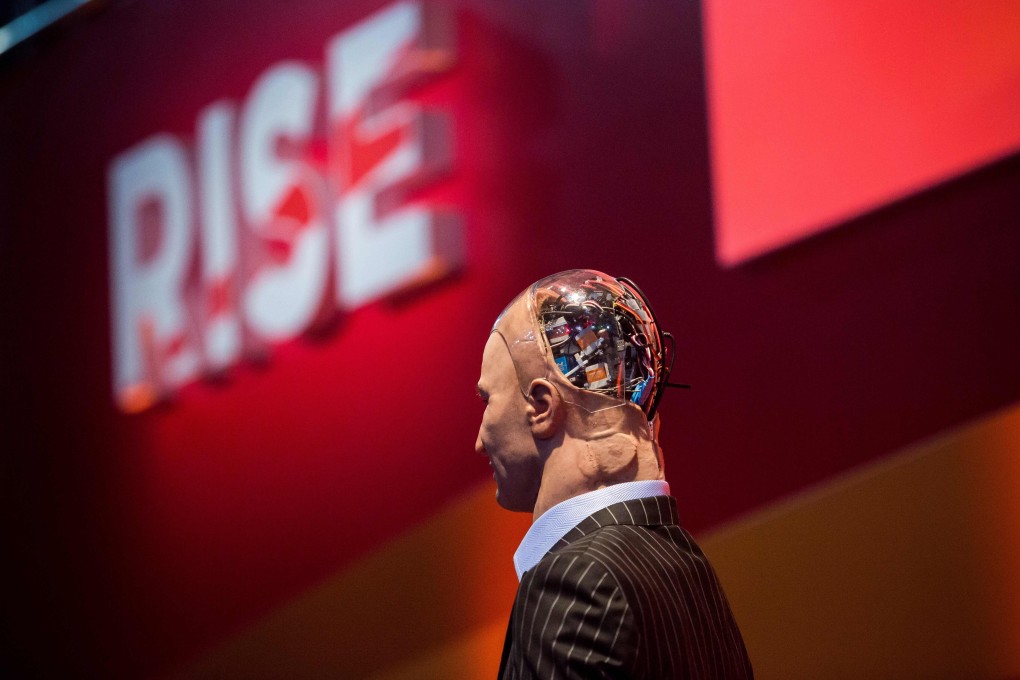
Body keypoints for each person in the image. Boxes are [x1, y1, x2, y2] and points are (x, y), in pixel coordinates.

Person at [475, 269, 753, 679]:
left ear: (541, 405)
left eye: (487, 400)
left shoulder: (573, 580)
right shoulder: (685, 564)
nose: (480, 440)